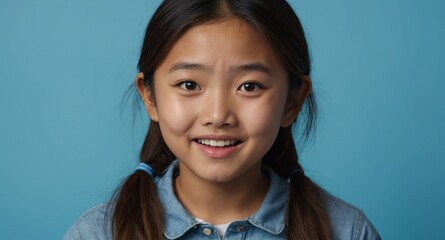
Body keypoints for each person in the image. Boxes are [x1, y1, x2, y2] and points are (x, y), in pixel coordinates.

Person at [64, 0, 380, 239]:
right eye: (189, 85)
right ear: (150, 96)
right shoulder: (95, 233)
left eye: (249, 86)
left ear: (293, 101)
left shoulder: (348, 231)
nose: (217, 116)